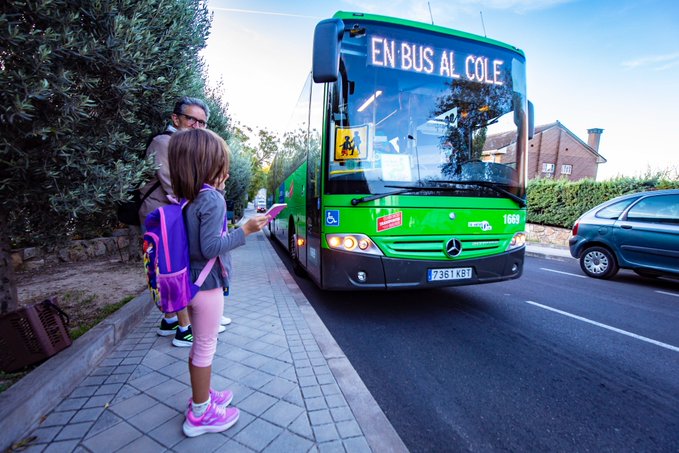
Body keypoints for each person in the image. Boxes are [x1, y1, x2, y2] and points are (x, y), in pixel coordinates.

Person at [168, 128, 270, 437]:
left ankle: (203, 395)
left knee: (199, 346)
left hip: (191, 282)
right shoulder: (212, 199)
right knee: (204, 347)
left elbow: (199, 242)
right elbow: (212, 247)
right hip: (207, 285)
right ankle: (200, 413)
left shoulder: (188, 199)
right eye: (222, 161)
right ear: (209, 163)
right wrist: (247, 230)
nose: (225, 168)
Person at [138, 97, 231, 347]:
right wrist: (209, 196)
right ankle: (184, 327)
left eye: (202, 122)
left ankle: (170, 320)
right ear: (175, 118)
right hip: (162, 214)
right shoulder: (164, 143)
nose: (197, 125)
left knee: (171, 266)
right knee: (173, 267)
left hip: (176, 212)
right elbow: (174, 185)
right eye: (191, 119)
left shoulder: (184, 144)